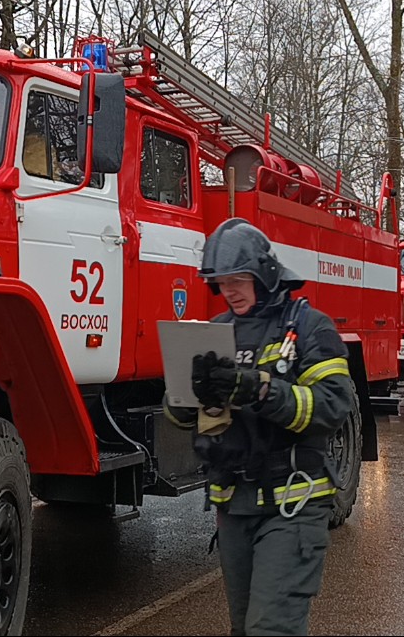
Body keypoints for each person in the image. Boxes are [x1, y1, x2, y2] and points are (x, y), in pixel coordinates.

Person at [164, 217, 356, 636]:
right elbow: (179, 416)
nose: (228, 290)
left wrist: (261, 390)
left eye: (238, 279)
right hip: (235, 504)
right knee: (244, 628)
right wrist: (189, 392)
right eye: (220, 282)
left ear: (264, 274)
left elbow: (333, 405)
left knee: (271, 629)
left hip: (294, 503)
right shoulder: (218, 331)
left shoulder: (309, 328)